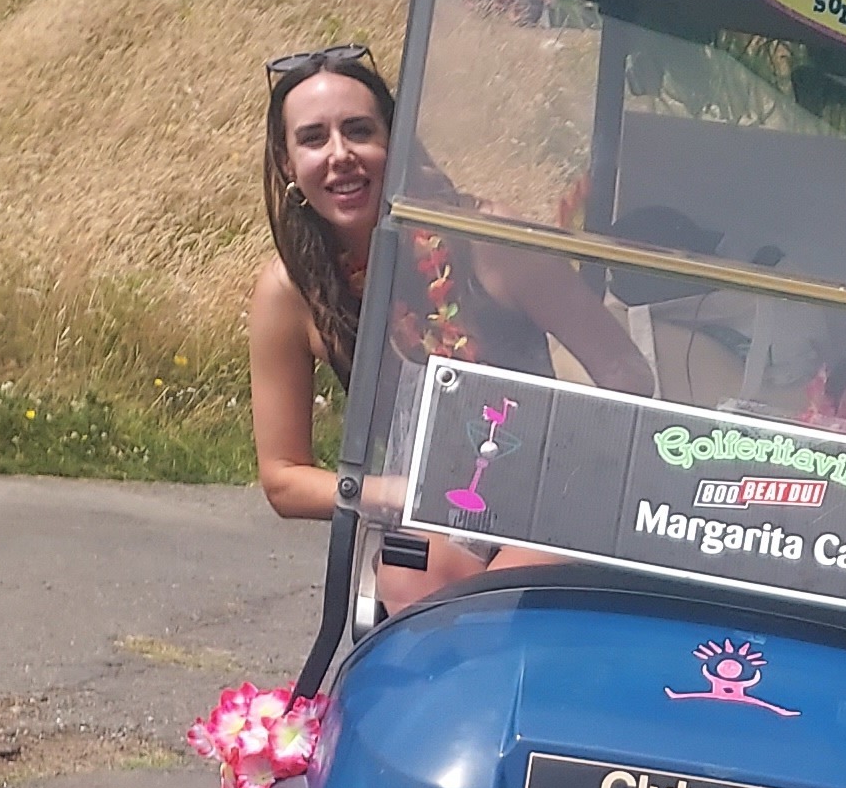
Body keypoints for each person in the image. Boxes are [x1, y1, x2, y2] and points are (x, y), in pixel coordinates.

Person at [246, 43, 646, 605]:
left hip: (552, 496)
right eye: (314, 139)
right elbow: (284, 477)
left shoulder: (490, 240)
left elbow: (626, 373)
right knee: (410, 572)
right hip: (432, 510)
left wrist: (573, 490)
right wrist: (395, 493)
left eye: (359, 131)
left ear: (396, 142)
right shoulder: (291, 290)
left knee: (506, 592)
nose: (341, 155)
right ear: (288, 164)